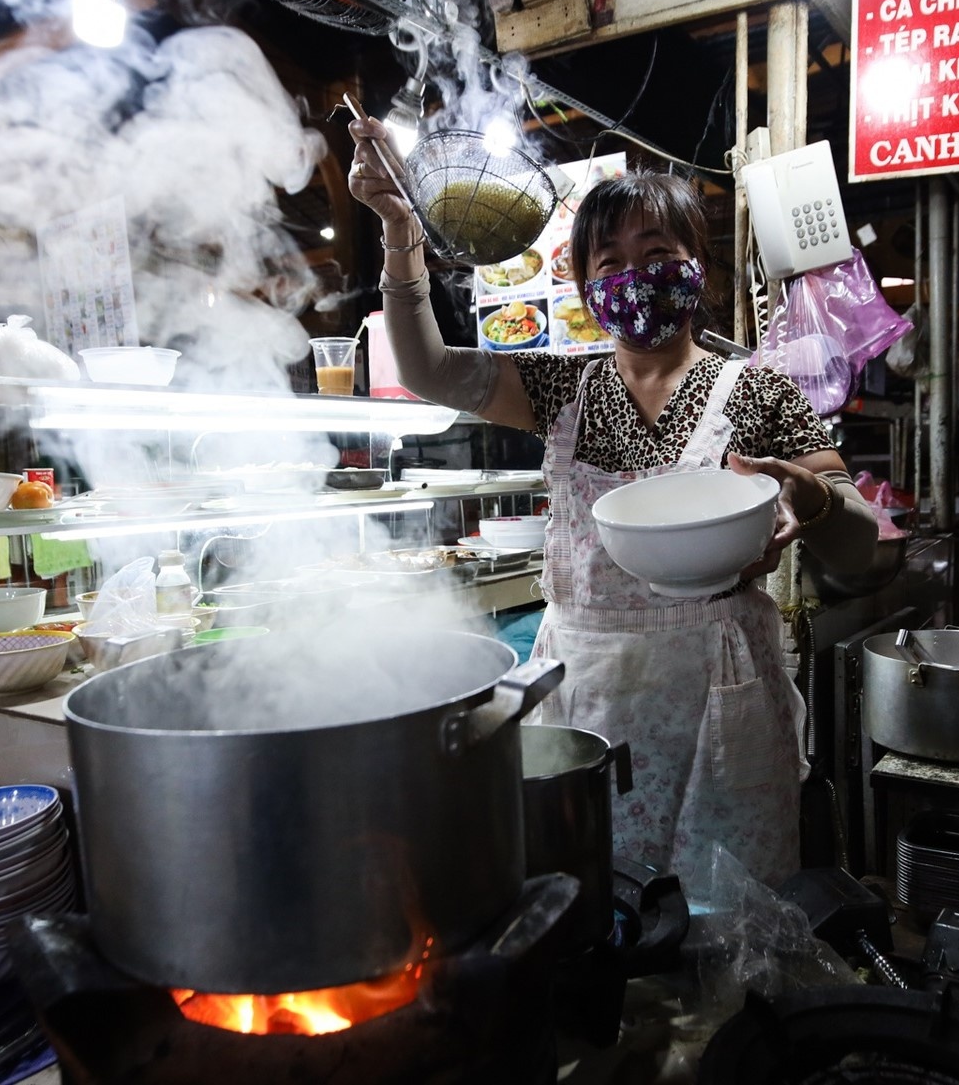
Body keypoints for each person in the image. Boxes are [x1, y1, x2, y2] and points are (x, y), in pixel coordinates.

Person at [347, 119, 880, 884]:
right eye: (611, 262)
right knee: (602, 897)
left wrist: (817, 498)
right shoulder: (559, 385)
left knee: (729, 910)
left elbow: (861, 548)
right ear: (587, 287)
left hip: (721, 698)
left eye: (658, 254)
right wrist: (401, 235)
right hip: (590, 702)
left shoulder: (758, 391)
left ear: (697, 266)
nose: (636, 276)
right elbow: (426, 368)